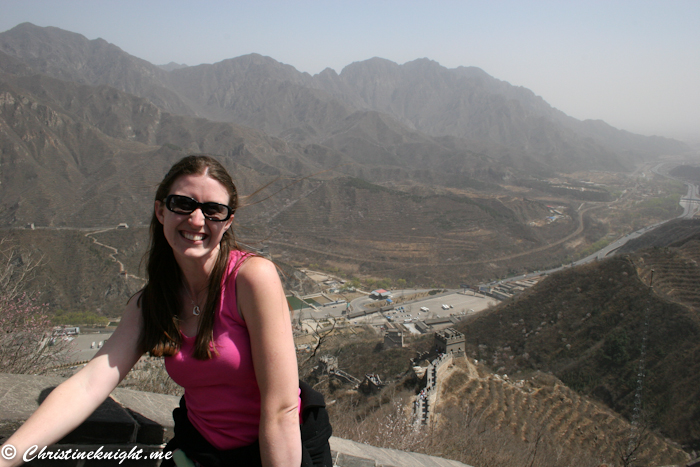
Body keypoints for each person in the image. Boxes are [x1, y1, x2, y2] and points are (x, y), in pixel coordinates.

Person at [1, 155, 330, 467]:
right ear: (161, 211)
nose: (197, 220)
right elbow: (88, 385)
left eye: (213, 210)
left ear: (228, 221)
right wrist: (9, 454)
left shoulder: (251, 279)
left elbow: (281, 409)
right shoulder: (152, 302)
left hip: (277, 449)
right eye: (183, 204)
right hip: (200, 448)